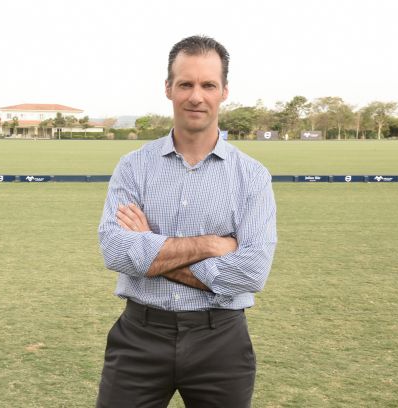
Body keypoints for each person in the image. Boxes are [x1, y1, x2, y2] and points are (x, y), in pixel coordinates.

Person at [96, 35, 277, 407]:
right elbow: (115, 251)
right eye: (185, 84)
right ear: (168, 88)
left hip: (221, 341)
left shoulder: (252, 176)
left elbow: (251, 273)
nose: (196, 96)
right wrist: (210, 246)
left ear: (224, 91)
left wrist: (149, 250)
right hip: (139, 337)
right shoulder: (133, 167)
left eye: (208, 85)